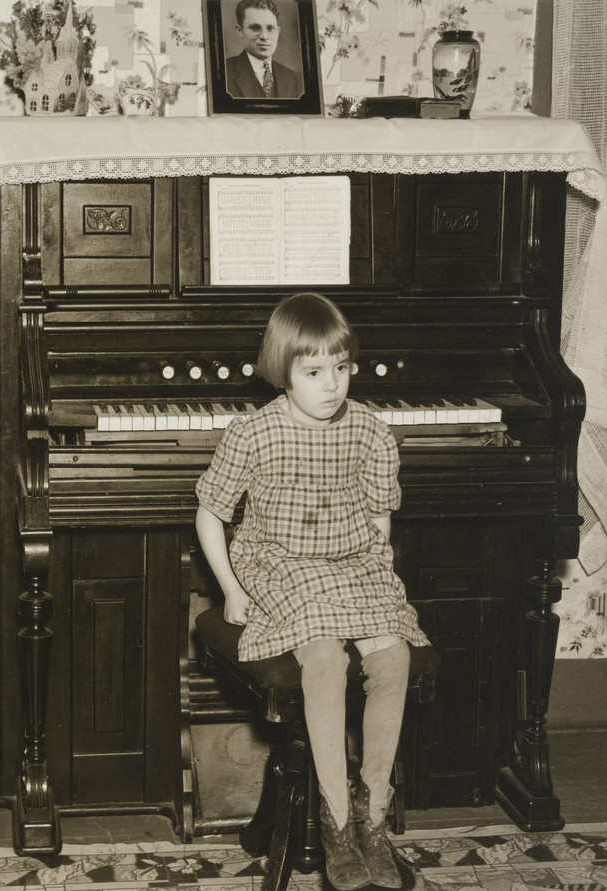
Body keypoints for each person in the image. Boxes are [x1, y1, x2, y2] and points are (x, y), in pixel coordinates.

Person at [194, 293, 429, 891]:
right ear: (283, 369)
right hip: (282, 564)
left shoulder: (371, 432)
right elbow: (210, 513)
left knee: (394, 655)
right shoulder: (254, 432)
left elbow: (379, 524)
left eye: (342, 368)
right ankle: (336, 815)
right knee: (323, 655)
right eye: (314, 372)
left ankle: (372, 816)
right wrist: (230, 588)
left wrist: (377, 583)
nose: (332, 385)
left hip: (352, 561)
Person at [225, 0, 303, 99]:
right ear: (240, 31)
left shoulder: (292, 77)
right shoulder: (225, 73)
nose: (264, 37)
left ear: (278, 31)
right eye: (255, 28)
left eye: (270, 28)